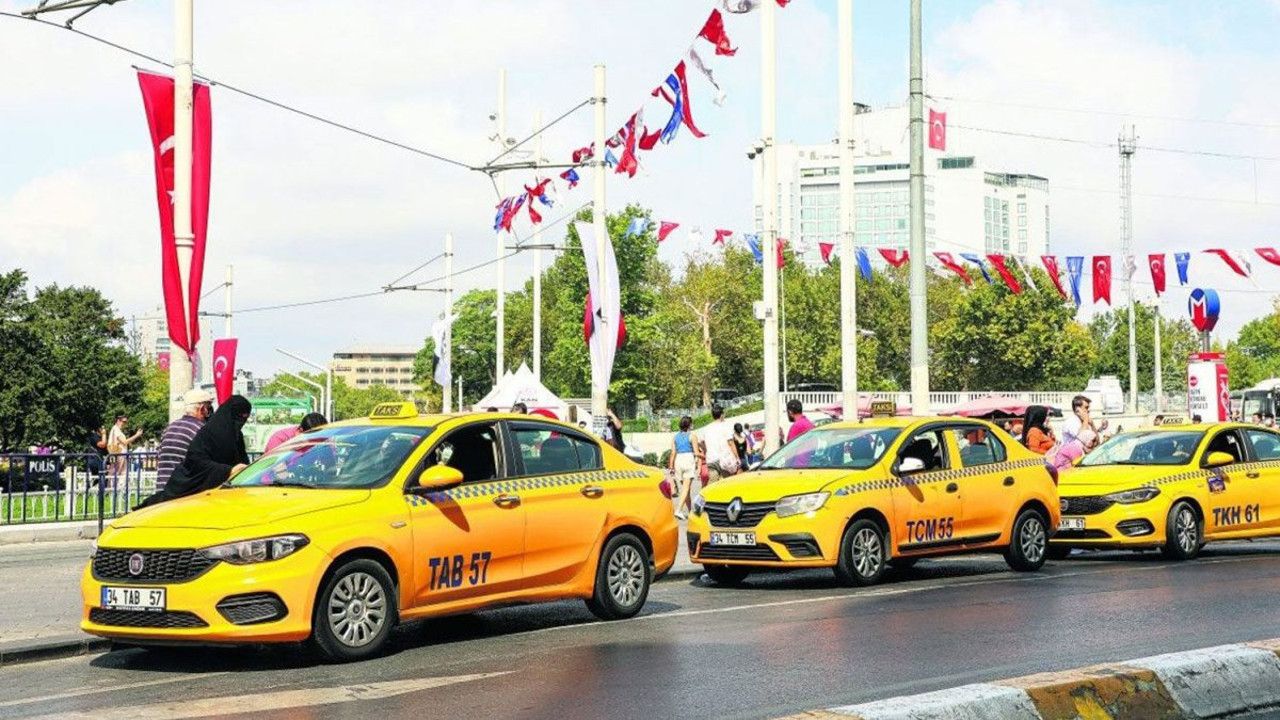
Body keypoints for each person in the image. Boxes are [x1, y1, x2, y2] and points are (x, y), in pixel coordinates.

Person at [138, 395, 252, 507]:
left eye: (245, 418)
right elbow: (196, 462)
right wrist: (228, 471)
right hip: (188, 492)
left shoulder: (171, 427)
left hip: (218, 497)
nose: (242, 421)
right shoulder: (205, 432)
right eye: (240, 417)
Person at [156, 389, 214, 493]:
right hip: (183, 494)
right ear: (201, 409)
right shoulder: (200, 430)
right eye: (209, 408)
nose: (210, 412)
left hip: (162, 490)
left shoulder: (169, 428)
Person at [669, 416, 702, 520]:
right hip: (688, 459)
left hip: (678, 460)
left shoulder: (675, 437)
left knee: (685, 489)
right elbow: (696, 452)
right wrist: (706, 456)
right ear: (689, 425)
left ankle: (690, 512)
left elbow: (673, 453)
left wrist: (671, 466)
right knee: (686, 488)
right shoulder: (692, 436)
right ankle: (678, 510)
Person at [701, 404, 740, 481]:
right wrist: (737, 457)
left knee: (714, 484)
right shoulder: (726, 426)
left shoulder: (706, 429)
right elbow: (731, 443)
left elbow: (701, 442)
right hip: (724, 460)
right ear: (722, 415)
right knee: (727, 483)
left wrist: (706, 451)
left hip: (711, 460)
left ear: (712, 416)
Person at [263, 412, 328, 453]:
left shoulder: (322, 439)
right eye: (312, 439)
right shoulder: (279, 439)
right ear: (301, 430)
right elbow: (279, 471)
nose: (314, 444)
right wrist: (291, 448)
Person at [106, 415, 143, 487]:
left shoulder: (117, 430)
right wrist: (136, 435)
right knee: (118, 474)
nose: (125, 424)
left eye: (126, 422)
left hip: (118, 455)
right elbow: (124, 442)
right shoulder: (116, 429)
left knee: (120, 474)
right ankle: (115, 491)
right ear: (118, 421)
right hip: (118, 455)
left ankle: (117, 491)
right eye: (124, 421)